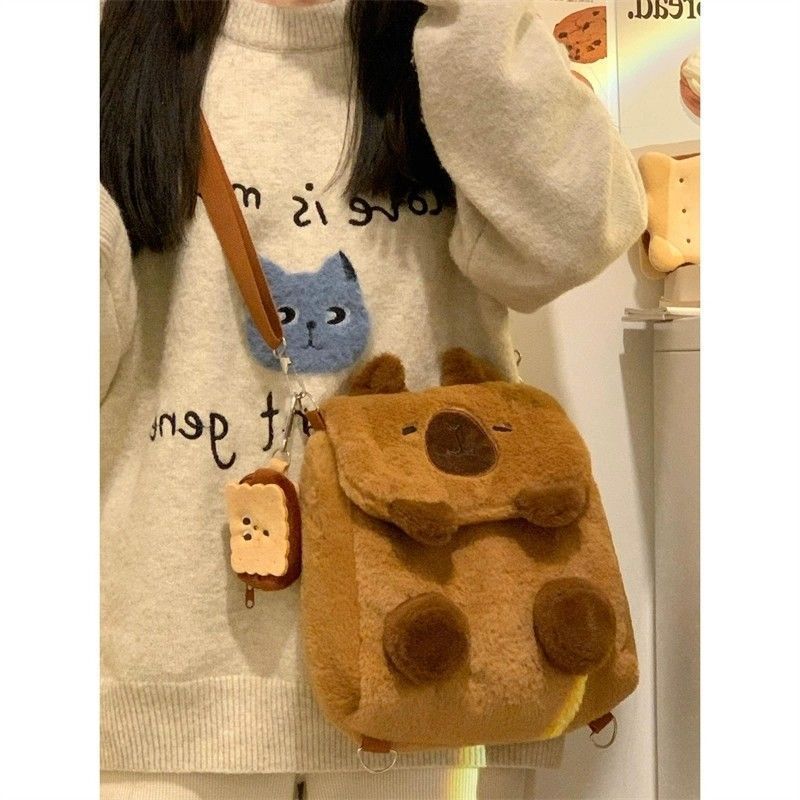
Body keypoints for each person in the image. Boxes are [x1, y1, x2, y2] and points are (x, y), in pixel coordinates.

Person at [99, 0, 646, 797]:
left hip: (426, 672)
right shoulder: (119, 45)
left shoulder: (451, 37)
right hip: (162, 688)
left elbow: (575, 237)